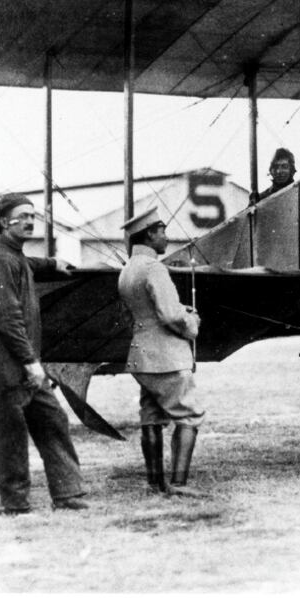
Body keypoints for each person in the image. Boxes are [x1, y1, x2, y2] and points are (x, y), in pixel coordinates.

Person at [0, 193, 88, 514]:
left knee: (52, 419)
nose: (29, 221)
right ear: (2, 222)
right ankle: (15, 503)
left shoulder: (13, 257)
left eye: (32, 216)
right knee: (11, 433)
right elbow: (6, 318)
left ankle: (68, 494)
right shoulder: (0, 260)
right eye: (22, 216)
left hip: (23, 363)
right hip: (7, 363)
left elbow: (26, 264)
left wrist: (52, 263)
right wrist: (30, 362)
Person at [117, 207, 206, 497]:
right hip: (167, 357)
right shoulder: (154, 268)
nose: (166, 237)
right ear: (150, 233)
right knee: (189, 414)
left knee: (152, 416)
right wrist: (190, 322)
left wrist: (179, 311)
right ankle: (178, 484)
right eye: (162, 231)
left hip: (141, 356)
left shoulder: (128, 270)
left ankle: (155, 483)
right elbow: (170, 315)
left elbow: (137, 313)